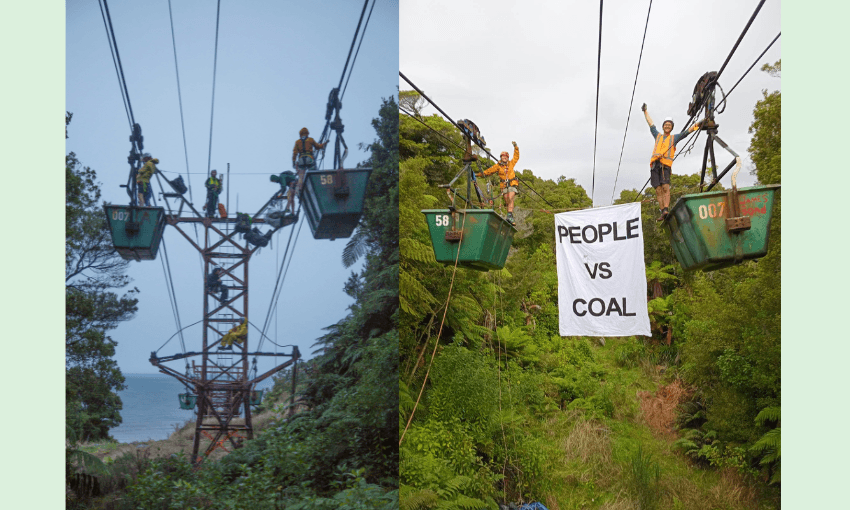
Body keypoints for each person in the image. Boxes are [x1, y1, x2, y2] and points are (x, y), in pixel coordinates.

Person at [642, 103, 702, 221]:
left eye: (669, 125)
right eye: (666, 124)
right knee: (658, 190)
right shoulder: (658, 136)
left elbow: (687, 132)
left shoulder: (674, 138)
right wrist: (645, 111)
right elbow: (651, 124)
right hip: (655, 165)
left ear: (671, 127)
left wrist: (698, 125)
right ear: (663, 126)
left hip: (665, 166)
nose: (667, 126)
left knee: (665, 187)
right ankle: (662, 212)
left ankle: (666, 208)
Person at [477, 141, 520, 225]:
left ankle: (510, 215)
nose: (504, 158)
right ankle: (509, 216)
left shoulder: (510, 164)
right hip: (503, 186)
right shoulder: (498, 166)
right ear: (501, 158)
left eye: (506, 157)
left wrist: (516, 147)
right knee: (507, 200)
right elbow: (489, 171)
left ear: (507, 158)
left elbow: (516, 156)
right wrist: (479, 174)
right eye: (503, 157)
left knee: (511, 197)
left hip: (512, 183)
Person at [292, 127, 327, 194]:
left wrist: (293, 162)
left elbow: (295, 153)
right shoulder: (310, 140)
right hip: (309, 158)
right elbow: (317, 147)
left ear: (300, 134)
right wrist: (323, 145)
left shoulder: (297, 142)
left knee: (301, 176)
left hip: (301, 160)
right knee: (313, 172)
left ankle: (300, 188)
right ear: (307, 133)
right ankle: (316, 184)